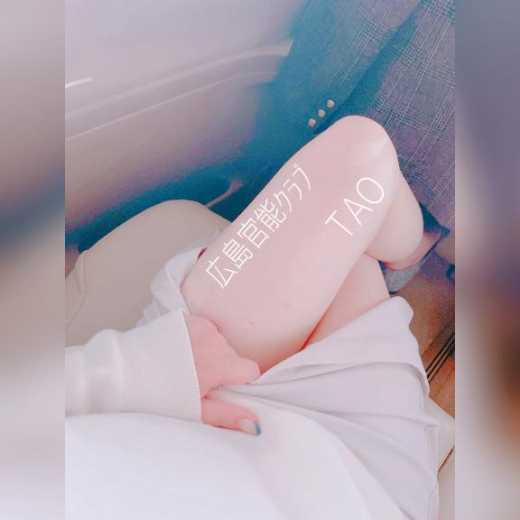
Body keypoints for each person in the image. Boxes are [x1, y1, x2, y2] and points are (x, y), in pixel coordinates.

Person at [66, 117, 438, 519]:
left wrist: (122, 373)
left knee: (361, 156)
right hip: (352, 483)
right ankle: (403, 247)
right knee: (352, 235)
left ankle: (402, 248)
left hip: (174, 400)